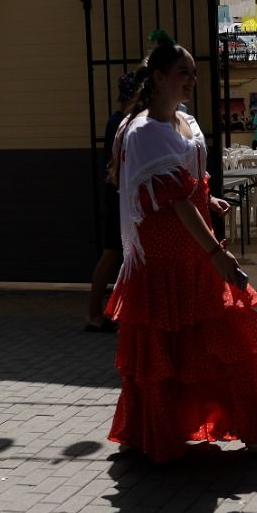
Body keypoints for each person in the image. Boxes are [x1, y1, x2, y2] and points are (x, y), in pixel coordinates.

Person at [105, 30, 257, 461]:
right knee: (173, 357)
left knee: (223, 349)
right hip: (168, 260)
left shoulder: (184, 121)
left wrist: (207, 199)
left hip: (188, 255)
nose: (192, 80)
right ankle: (164, 434)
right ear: (158, 77)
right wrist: (217, 253)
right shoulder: (145, 131)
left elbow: (184, 187)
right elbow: (174, 199)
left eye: (194, 74)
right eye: (183, 73)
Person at [85, 71, 141, 332]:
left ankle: (108, 312)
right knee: (112, 253)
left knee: (118, 254)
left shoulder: (119, 120)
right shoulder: (120, 122)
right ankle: (94, 313)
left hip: (121, 194)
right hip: (119, 195)